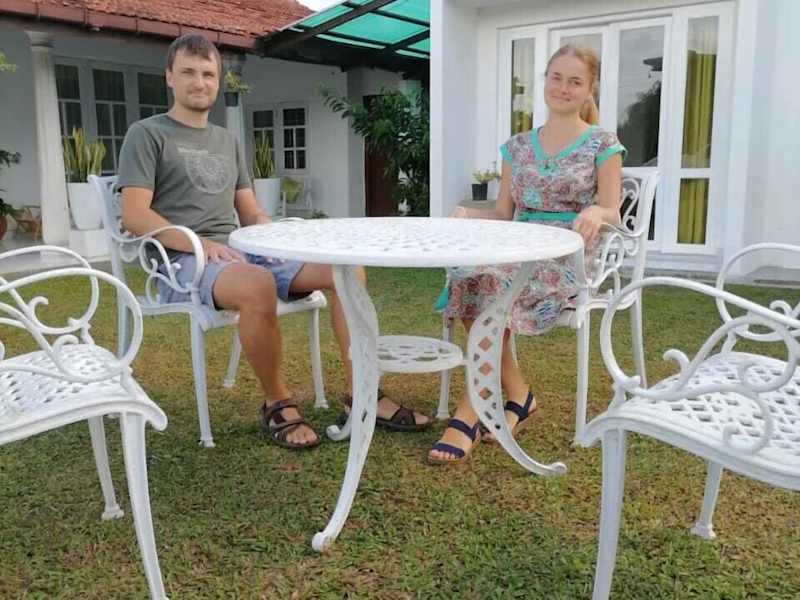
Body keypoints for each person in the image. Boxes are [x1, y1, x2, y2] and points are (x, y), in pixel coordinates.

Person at [117, 34, 430, 451]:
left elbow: (250, 213)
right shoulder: (147, 134)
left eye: (208, 73)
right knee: (257, 284)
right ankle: (276, 402)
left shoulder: (227, 141)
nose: (199, 82)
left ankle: (362, 394)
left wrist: (282, 238)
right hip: (177, 259)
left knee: (346, 270)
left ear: (218, 80)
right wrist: (199, 244)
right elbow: (135, 214)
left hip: (235, 250)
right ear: (169, 77)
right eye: (188, 72)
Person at [428, 45, 626, 465]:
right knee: (470, 277)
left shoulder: (603, 144)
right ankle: (518, 394)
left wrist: (596, 211)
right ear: (545, 81)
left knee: (494, 285)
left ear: (589, 89)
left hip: (566, 255)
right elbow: (503, 213)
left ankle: (471, 409)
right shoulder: (516, 147)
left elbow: (612, 209)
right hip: (516, 246)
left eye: (575, 81)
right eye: (557, 78)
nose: (563, 88)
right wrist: (468, 213)